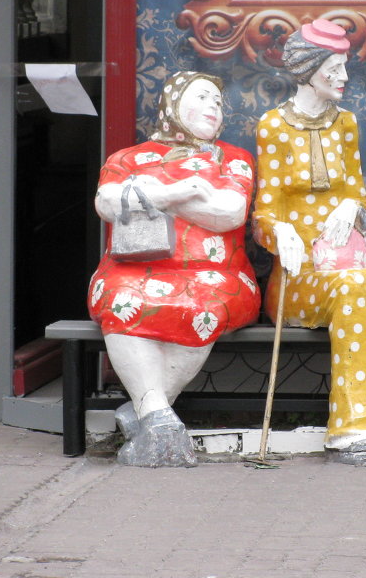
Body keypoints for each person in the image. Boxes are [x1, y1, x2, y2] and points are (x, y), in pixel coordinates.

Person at [253, 19, 366, 466]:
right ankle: (362, 424)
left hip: (346, 261)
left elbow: (356, 188)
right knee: (362, 286)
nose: (342, 78)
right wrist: (279, 231)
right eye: (333, 69)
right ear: (307, 69)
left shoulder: (346, 124)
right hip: (300, 277)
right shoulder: (274, 127)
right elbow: (264, 211)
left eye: (344, 68)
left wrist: (352, 208)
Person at [87, 71, 261, 467]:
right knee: (122, 301)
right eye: (202, 97)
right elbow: (107, 202)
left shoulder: (234, 158)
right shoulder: (127, 158)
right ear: (173, 103)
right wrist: (177, 192)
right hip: (133, 268)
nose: (213, 107)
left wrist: (148, 195)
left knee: (200, 307)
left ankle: (146, 412)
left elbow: (228, 213)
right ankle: (159, 417)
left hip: (216, 274)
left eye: (218, 101)